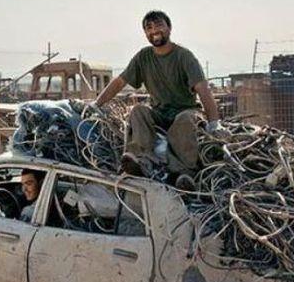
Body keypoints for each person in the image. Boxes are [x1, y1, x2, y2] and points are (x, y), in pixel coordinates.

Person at [93, 10, 228, 182]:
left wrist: (214, 123)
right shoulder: (143, 57)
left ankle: (185, 172)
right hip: (159, 113)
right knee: (138, 111)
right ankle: (141, 161)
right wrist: (96, 105)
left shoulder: (184, 57)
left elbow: (203, 90)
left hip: (185, 111)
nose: (154, 30)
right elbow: (119, 82)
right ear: (145, 33)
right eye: (149, 28)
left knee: (185, 119)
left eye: (158, 25)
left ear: (169, 28)